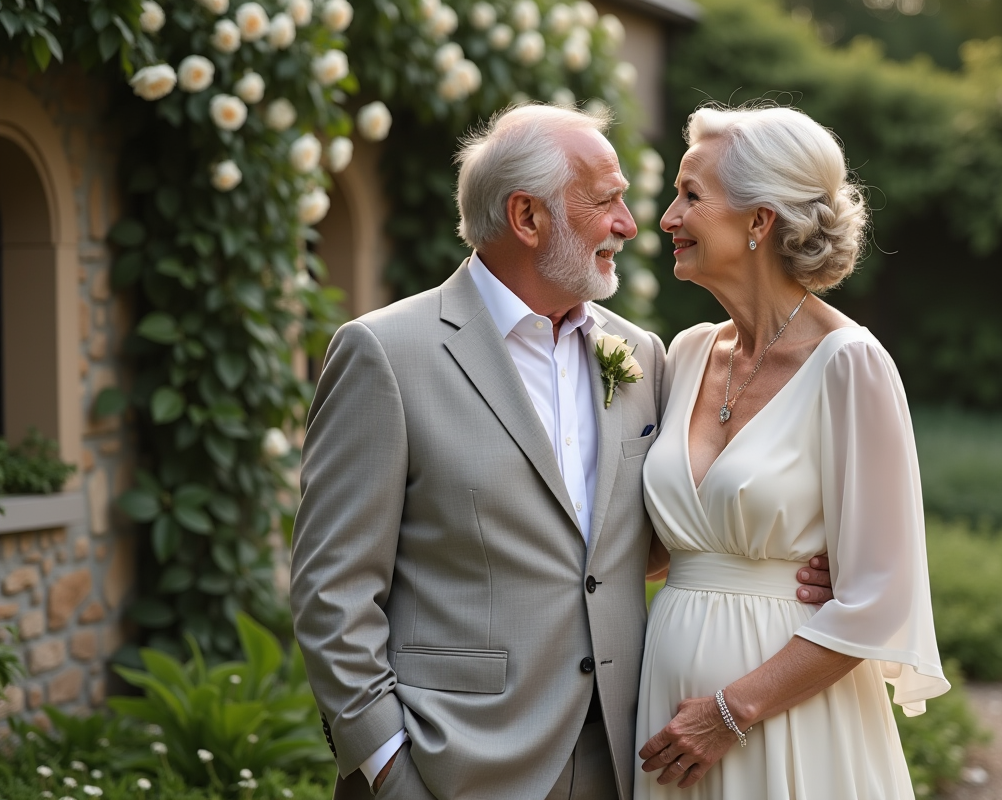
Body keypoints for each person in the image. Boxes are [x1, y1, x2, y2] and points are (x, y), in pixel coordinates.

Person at [290, 102, 832, 800]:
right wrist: (389, 768)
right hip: (449, 765)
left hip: (621, 760)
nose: (629, 225)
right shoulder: (386, 354)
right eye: (606, 201)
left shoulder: (640, 355)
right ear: (528, 217)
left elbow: (651, 534)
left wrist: (790, 566)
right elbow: (331, 590)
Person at [634, 105, 950, 799]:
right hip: (666, 715)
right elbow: (651, 547)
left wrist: (729, 712)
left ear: (759, 219)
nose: (668, 218)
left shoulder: (850, 364)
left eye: (690, 195)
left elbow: (880, 598)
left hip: (785, 720)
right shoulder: (685, 354)